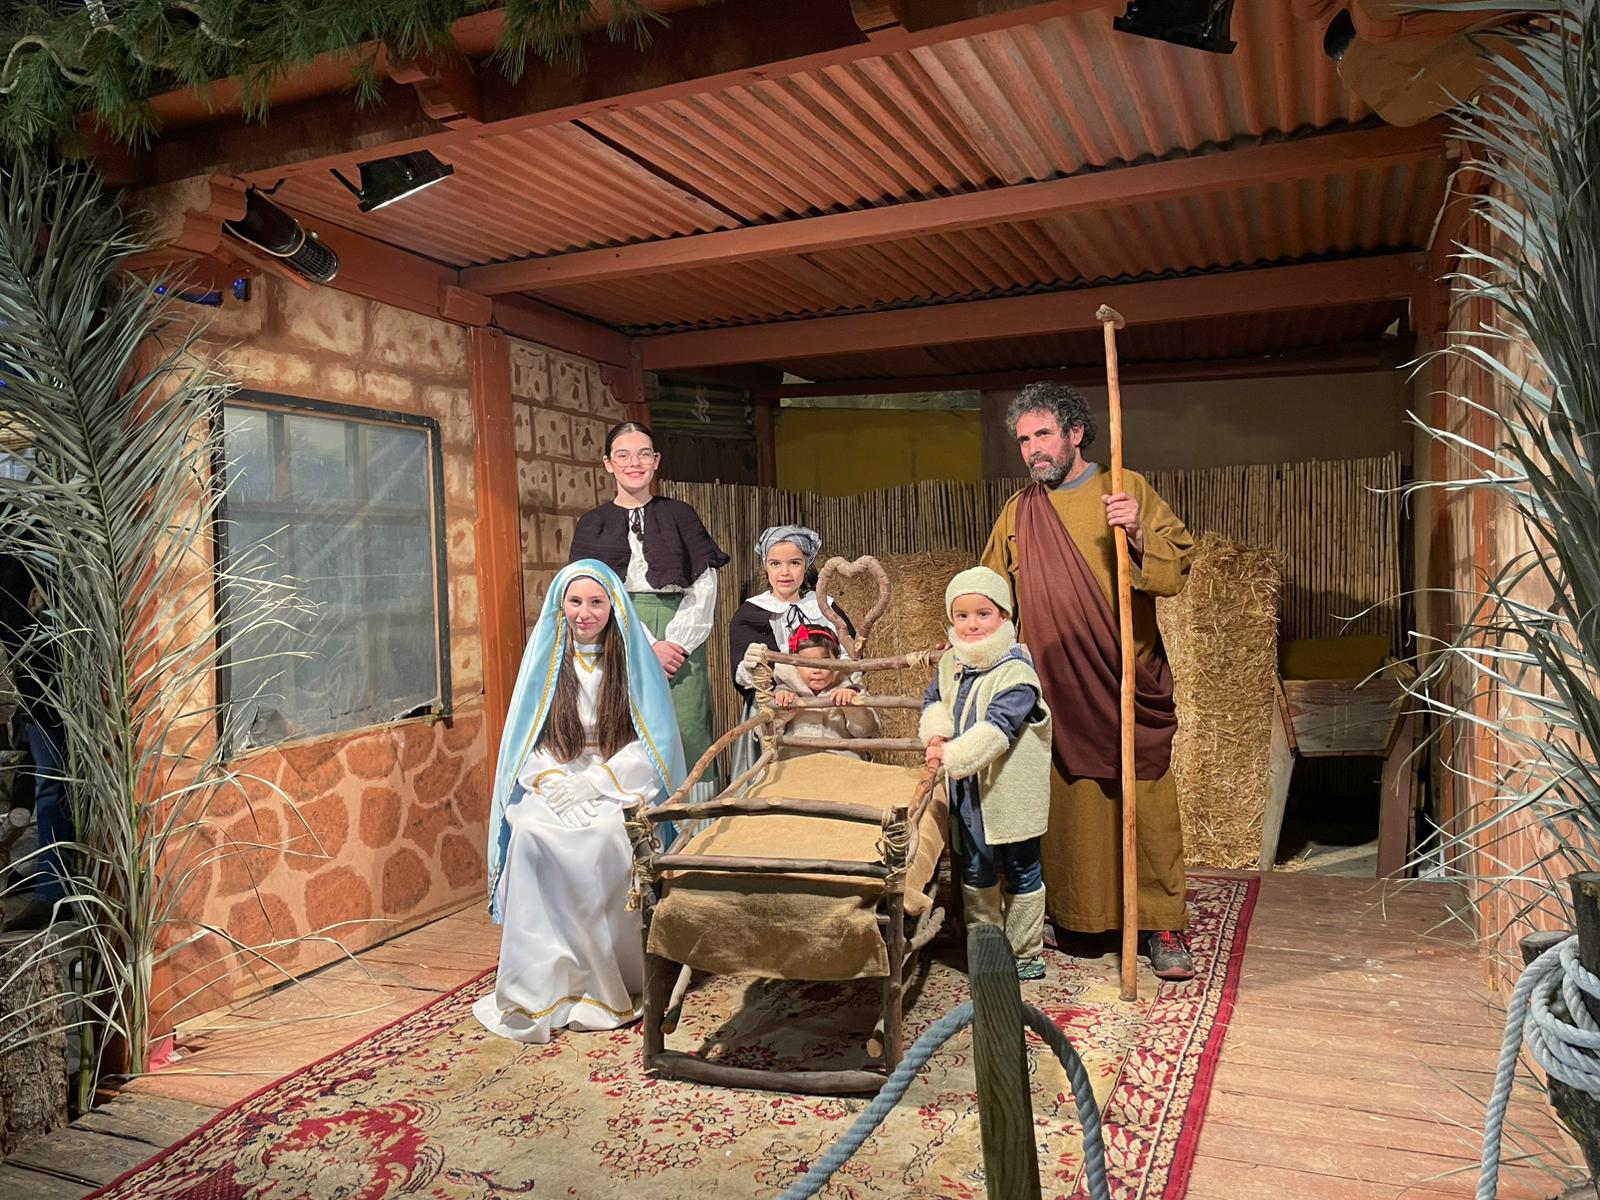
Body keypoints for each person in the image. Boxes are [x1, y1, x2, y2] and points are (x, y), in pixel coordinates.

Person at [981, 382, 1197, 981]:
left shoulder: (1125, 489)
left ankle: (1160, 922)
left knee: (1144, 799)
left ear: (1076, 433)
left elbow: (1177, 565)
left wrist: (1138, 534)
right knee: (1072, 805)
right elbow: (992, 591)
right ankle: (1079, 915)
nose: (1032, 449)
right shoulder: (1019, 512)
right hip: (1055, 688)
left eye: (1043, 434)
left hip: (1122, 679)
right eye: (1023, 439)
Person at [474, 560, 686, 1044]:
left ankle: (605, 981)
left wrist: (594, 784)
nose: (584, 612)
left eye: (595, 602)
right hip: (555, 778)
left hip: (614, 781)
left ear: (613, 607)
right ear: (560, 605)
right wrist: (553, 783)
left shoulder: (632, 662)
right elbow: (527, 739)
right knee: (531, 833)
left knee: (606, 836)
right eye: (575, 602)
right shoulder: (546, 663)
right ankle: (540, 986)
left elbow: (653, 743)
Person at [569, 422, 727, 801]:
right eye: (623, 455)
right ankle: (633, 820)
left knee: (687, 726)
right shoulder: (592, 524)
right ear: (608, 464)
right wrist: (644, 645)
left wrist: (675, 644)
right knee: (624, 725)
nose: (633, 463)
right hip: (619, 633)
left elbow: (704, 584)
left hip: (680, 638)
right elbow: (591, 592)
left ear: (656, 461)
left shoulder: (680, 515)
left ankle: (693, 825)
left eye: (643, 455)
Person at [919, 567, 1052, 979]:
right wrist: (937, 731)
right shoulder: (953, 663)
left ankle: (1025, 953)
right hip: (971, 793)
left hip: (1008, 791)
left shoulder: (1017, 673)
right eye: (962, 616)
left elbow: (998, 729)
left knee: (1021, 868)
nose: (972, 625)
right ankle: (986, 947)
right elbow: (934, 698)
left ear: (1004, 616)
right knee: (976, 867)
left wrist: (949, 755)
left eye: (983, 614)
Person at [727, 525, 857, 776]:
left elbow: (850, 657)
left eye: (794, 563)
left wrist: (845, 684)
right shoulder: (751, 613)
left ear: (806, 565)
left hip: (827, 705)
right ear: (765, 566)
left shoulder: (825, 607)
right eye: (775, 564)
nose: (785, 572)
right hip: (778, 706)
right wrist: (751, 666)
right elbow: (742, 674)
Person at [0, 528, 69, 934]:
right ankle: (49, 878)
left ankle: (53, 892)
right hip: (37, 692)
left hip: (54, 691)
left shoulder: (23, 542)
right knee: (45, 788)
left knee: (51, 788)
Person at [770, 623, 879, 759]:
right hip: (796, 759)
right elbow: (764, 733)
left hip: (841, 759)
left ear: (837, 661)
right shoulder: (784, 691)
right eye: (806, 663)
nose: (816, 670)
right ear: (795, 665)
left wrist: (852, 707)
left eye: (824, 662)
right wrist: (781, 712)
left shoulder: (848, 689)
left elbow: (867, 730)